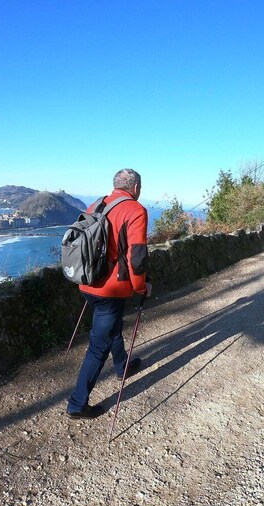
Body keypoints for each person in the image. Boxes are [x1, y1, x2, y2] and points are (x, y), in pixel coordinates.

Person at [66, 168, 152, 419]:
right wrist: (140, 287)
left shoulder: (97, 204)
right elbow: (137, 257)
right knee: (97, 347)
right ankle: (77, 404)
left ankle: (122, 365)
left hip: (87, 282)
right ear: (135, 187)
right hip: (111, 289)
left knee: (110, 327)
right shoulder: (136, 210)